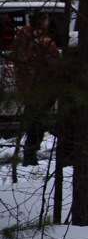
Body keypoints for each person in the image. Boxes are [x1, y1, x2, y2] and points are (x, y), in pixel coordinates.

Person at [11, 10, 60, 166]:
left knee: (33, 119)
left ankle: (29, 152)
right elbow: (55, 65)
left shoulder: (21, 38)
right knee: (38, 122)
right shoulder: (45, 42)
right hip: (42, 88)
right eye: (46, 20)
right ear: (42, 22)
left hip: (25, 86)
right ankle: (30, 153)